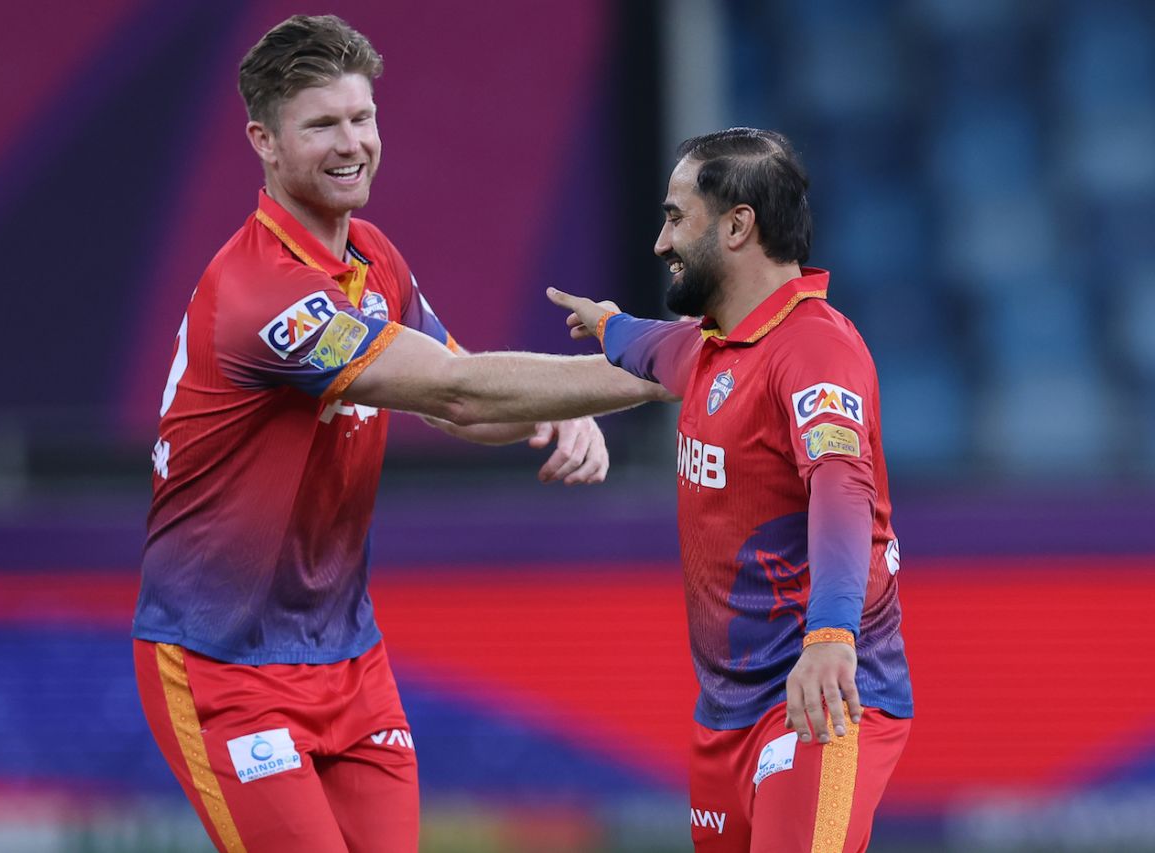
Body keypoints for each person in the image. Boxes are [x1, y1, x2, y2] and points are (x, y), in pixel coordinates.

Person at [130, 14, 667, 853]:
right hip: (222, 665)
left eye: (363, 117)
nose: (352, 144)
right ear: (263, 142)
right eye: (322, 125)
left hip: (350, 658)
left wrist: (562, 412)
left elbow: (471, 399)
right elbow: (451, 387)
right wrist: (661, 363)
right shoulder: (261, 294)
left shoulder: (375, 257)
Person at [547, 128, 913, 852]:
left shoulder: (816, 351)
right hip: (724, 718)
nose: (660, 241)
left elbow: (842, 490)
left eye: (676, 216)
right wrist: (607, 324)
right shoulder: (715, 348)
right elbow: (651, 347)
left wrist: (831, 636)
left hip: (819, 697)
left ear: (738, 224)